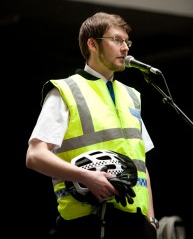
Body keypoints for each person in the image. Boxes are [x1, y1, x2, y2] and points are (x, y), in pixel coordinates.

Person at [26, 12, 158, 239]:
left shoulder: (131, 96)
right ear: (92, 44)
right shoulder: (66, 91)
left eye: (127, 41)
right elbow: (35, 156)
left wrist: (151, 220)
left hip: (137, 225)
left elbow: (141, 165)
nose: (125, 48)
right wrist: (86, 177)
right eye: (117, 40)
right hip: (90, 221)